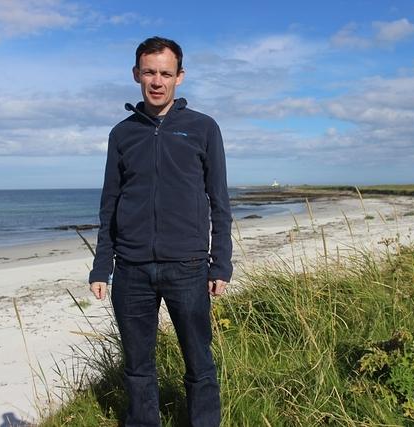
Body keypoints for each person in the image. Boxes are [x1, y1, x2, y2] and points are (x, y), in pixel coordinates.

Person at [88, 36, 232, 427]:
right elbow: (110, 203)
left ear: (179, 76)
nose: (157, 81)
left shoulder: (203, 128)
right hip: (131, 269)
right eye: (149, 72)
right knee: (137, 367)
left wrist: (221, 263)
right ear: (136, 74)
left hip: (188, 266)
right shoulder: (122, 134)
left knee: (199, 363)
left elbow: (219, 201)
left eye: (165, 73)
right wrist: (102, 266)